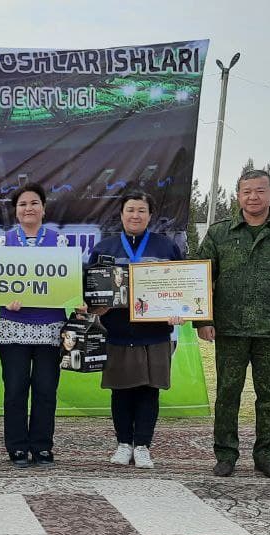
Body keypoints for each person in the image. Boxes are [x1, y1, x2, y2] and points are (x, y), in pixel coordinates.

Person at [195, 169, 270, 480]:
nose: (253, 197)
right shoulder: (219, 233)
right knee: (227, 394)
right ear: (238, 195)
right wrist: (203, 320)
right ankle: (225, 455)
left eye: (260, 191)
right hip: (229, 330)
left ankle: (266, 456)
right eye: (247, 191)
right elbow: (200, 278)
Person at [85, 191, 184, 470]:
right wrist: (96, 307)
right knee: (121, 391)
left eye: (141, 210)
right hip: (117, 333)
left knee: (149, 391)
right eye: (130, 210)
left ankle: (142, 446)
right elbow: (90, 292)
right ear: (121, 214)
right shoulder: (104, 249)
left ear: (150, 216)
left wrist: (180, 310)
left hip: (155, 334)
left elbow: (182, 287)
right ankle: (123, 444)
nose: (135, 215)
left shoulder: (166, 248)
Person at [0, 183, 68, 467]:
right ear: (16, 211)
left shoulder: (59, 242)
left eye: (34, 203)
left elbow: (67, 283)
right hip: (13, 326)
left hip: (51, 327)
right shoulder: (3, 243)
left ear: (43, 209)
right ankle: (16, 447)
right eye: (23, 204)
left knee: (45, 389)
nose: (29, 208)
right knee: (15, 389)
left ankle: (41, 446)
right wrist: (4, 298)